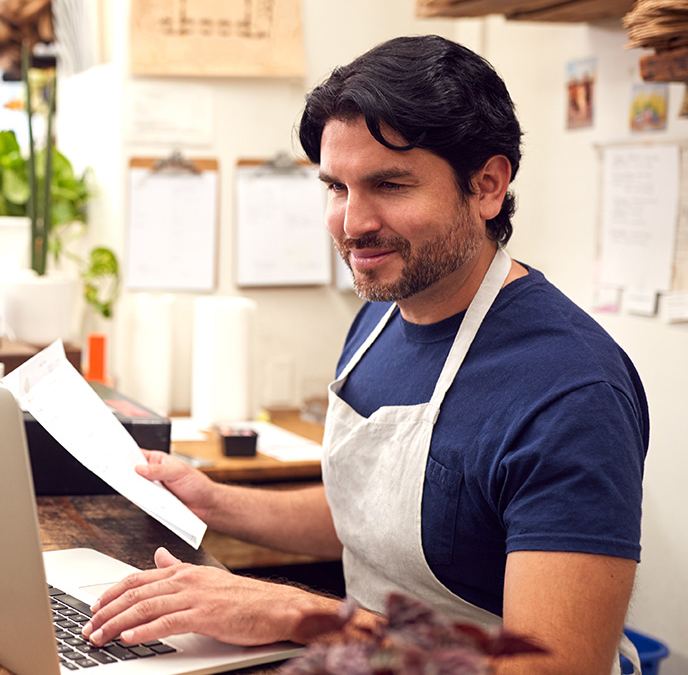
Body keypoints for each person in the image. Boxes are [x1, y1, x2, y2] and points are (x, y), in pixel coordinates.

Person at [83, 35, 649, 675]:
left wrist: (298, 614)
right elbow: (379, 514)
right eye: (336, 187)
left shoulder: (571, 394)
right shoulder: (381, 317)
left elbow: (552, 669)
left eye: (389, 184)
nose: (352, 223)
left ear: (487, 186)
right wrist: (216, 502)